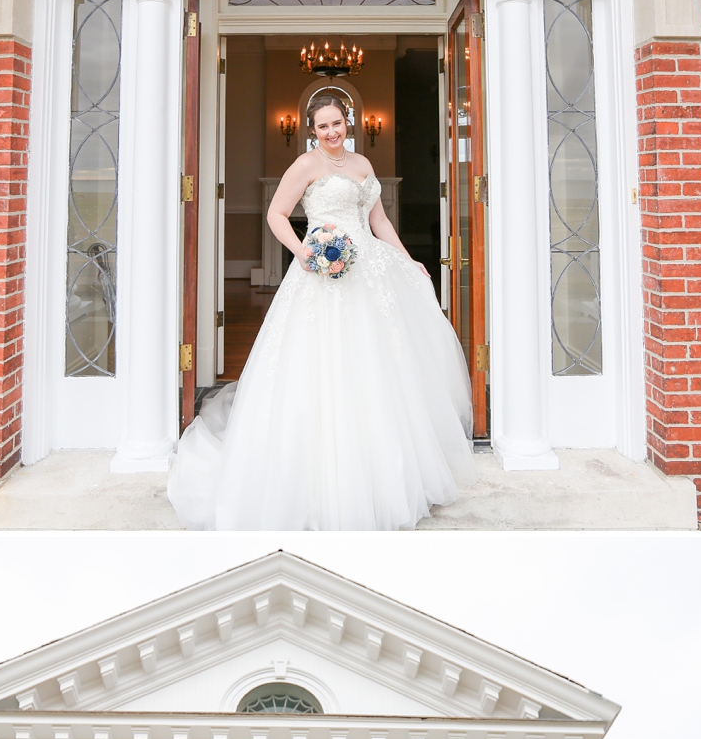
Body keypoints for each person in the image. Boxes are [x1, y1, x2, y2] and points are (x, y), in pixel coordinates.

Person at [167, 90, 476, 530]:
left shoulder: (363, 165)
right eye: (322, 126)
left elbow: (380, 221)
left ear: (348, 122)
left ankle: (382, 470)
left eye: (337, 123)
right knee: (320, 364)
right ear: (311, 130)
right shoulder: (306, 165)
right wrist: (305, 253)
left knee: (376, 362)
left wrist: (408, 261)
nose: (331, 132)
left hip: (368, 269)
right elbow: (277, 213)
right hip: (320, 274)